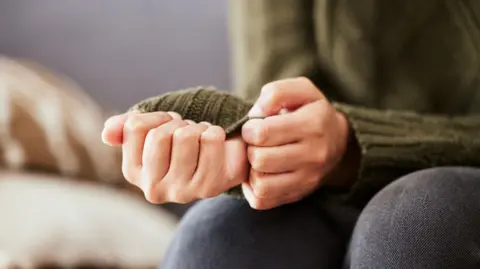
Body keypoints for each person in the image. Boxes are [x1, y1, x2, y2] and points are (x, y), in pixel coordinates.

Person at [102, 1, 480, 268]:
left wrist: (348, 145)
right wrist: (256, 149)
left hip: (444, 174)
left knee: (418, 222)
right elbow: (276, 91)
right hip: (327, 180)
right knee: (220, 235)